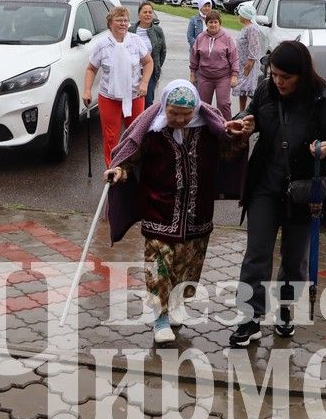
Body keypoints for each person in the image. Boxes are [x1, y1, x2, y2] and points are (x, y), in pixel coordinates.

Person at [229, 40, 326, 347]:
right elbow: (252, 114)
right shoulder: (266, 91)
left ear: (302, 73)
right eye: (274, 74)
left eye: (285, 77)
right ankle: (250, 318)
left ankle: (285, 312)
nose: (278, 81)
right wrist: (245, 123)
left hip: (304, 192)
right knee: (257, 255)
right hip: (264, 186)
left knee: (294, 258)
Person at [106, 80, 253, 344]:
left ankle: (176, 303)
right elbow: (128, 158)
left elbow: (230, 154)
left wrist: (242, 136)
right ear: (164, 107)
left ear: (196, 109)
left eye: (186, 114)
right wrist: (119, 171)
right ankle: (160, 316)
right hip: (158, 211)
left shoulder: (209, 129)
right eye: (174, 113)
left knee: (188, 266)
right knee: (158, 266)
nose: (180, 119)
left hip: (198, 212)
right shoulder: (151, 131)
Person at [82, 6, 154, 165]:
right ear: (110, 23)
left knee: (135, 134)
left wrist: (144, 83)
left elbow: (148, 62)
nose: (123, 23)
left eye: (125, 20)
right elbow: (91, 69)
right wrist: (87, 91)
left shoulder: (136, 41)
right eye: (119, 20)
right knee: (111, 137)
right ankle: (112, 168)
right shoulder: (102, 45)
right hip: (109, 97)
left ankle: (132, 169)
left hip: (134, 96)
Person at [190, 10, 239, 120]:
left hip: (223, 77)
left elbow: (234, 58)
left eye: (215, 22)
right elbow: (194, 57)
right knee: (203, 105)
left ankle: (227, 127)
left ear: (220, 23)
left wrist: (234, 75)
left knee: (223, 104)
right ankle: (203, 128)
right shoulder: (200, 38)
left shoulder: (227, 38)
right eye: (210, 22)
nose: (213, 24)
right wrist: (192, 73)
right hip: (204, 77)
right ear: (206, 24)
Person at [128, 1, 167, 108]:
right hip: (132, 71)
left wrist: (156, 66)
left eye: (150, 12)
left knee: (148, 101)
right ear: (139, 15)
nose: (148, 14)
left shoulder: (158, 31)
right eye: (145, 12)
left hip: (150, 72)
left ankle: (146, 123)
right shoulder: (131, 30)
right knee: (132, 100)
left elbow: (162, 51)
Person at [231, 3, 263, 113]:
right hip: (242, 63)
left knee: (248, 89)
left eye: (240, 14)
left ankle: (251, 112)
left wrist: (250, 61)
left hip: (249, 65)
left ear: (245, 16)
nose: (239, 16)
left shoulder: (252, 28)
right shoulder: (245, 28)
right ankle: (242, 112)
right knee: (242, 90)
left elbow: (254, 46)